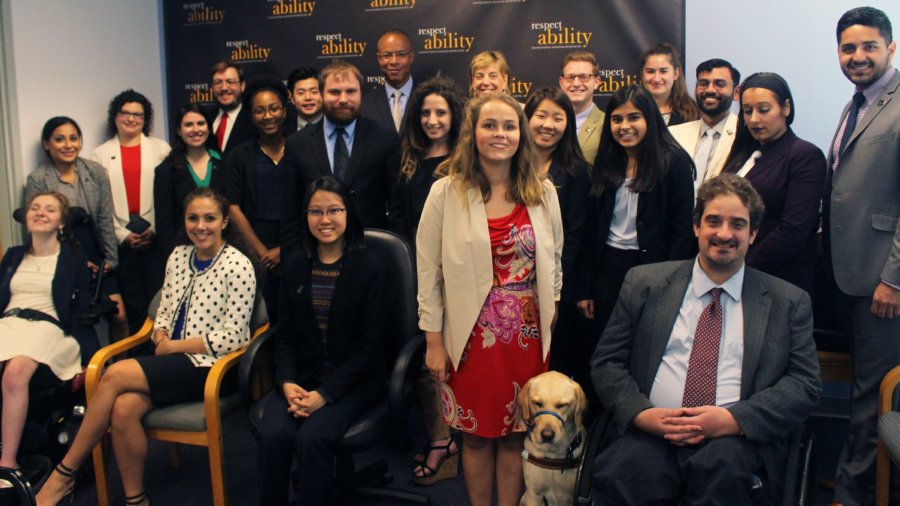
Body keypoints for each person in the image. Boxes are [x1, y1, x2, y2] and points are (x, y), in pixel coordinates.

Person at [590, 174, 821, 505]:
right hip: (650, 430)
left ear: (753, 233)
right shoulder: (644, 284)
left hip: (735, 441)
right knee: (628, 473)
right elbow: (607, 362)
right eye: (714, 221)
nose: (724, 234)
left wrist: (734, 420)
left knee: (721, 472)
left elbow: (804, 384)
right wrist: (640, 413)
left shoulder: (788, 302)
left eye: (738, 224)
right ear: (696, 226)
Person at [36, 188, 257, 506]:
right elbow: (163, 312)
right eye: (193, 218)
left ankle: (64, 473)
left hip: (211, 369)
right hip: (170, 361)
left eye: (210, 218)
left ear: (224, 222)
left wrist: (175, 346)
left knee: (112, 375)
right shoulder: (179, 256)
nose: (200, 226)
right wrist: (161, 336)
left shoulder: (238, 265)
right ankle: (136, 500)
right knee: (124, 409)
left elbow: (235, 337)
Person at [417, 92, 563, 506]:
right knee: (477, 439)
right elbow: (428, 272)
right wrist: (433, 342)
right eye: (490, 125)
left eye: (509, 126)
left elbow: (556, 258)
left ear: (522, 135)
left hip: (527, 338)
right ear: (472, 132)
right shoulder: (445, 193)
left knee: (518, 435)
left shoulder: (542, 191)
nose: (500, 134)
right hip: (469, 338)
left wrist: (551, 312)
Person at [256, 177, 385, 505]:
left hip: (353, 382)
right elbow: (284, 335)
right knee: (273, 434)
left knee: (312, 439)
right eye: (315, 211)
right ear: (305, 216)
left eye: (333, 210)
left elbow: (370, 348)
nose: (324, 220)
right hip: (302, 378)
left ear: (348, 213)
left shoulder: (370, 266)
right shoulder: (296, 264)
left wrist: (325, 394)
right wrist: (286, 382)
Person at [824, 7, 899, 506]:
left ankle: (855, 498)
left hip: (882, 283)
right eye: (849, 48)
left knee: (874, 400)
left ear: (890, 48)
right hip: (848, 275)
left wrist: (895, 279)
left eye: (869, 46)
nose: (858, 57)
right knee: (859, 394)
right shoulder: (857, 103)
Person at [386, 76, 465, 485]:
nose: (433, 120)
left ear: (455, 116)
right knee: (423, 360)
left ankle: (449, 442)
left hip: (456, 275)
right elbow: (397, 219)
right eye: (426, 113)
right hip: (416, 275)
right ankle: (442, 438)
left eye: (441, 112)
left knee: (450, 361)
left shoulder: (465, 161)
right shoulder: (408, 158)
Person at [575, 84, 695, 343]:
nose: (624, 126)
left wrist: (671, 286)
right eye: (617, 119)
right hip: (607, 269)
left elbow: (682, 233)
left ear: (649, 119)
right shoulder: (607, 161)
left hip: (653, 270)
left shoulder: (674, 163)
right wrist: (585, 287)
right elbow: (591, 230)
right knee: (605, 345)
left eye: (633, 117)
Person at [0, 192, 98, 476]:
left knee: (15, 373)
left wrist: (90, 358)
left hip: (48, 326)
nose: (41, 212)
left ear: (61, 221)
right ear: (26, 217)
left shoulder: (73, 257)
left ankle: (8, 464)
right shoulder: (13, 255)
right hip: (9, 323)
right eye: (35, 208)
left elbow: (80, 310)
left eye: (50, 209)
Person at [722, 72, 825, 296]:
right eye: (747, 111)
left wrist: (738, 268)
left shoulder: (804, 155)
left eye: (764, 109)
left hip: (777, 279)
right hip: (733, 275)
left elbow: (794, 230)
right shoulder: (744, 153)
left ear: (786, 108)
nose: (754, 119)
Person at [281, 60, 399, 255]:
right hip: (315, 255)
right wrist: (293, 262)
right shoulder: (297, 144)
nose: (343, 99)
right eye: (335, 92)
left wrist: (392, 255)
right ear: (321, 94)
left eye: (351, 91)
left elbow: (397, 207)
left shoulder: (384, 138)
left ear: (361, 94)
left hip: (372, 254)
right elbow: (290, 214)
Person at [26, 117, 127, 342]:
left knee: (119, 316)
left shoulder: (95, 171)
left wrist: (110, 260)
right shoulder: (38, 179)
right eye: (59, 139)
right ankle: (85, 372)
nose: (68, 145)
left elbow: (104, 218)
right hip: (62, 254)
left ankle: (120, 370)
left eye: (74, 138)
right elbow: (38, 229)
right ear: (46, 144)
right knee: (74, 319)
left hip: (95, 249)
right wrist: (76, 263)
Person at [523, 87, 591, 392]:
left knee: (554, 360)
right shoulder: (509, 164)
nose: (548, 125)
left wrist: (556, 287)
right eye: (541, 115)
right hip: (514, 281)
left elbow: (576, 234)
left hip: (556, 282)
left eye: (558, 118)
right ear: (527, 118)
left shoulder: (576, 171)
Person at [92, 89, 171, 335]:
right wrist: (121, 235)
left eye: (138, 114)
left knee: (160, 304)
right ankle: (137, 359)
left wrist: (155, 230)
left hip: (155, 239)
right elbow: (99, 205)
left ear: (145, 119)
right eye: (125, 113)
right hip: (122, 243)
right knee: (134, 307)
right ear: (115, 116)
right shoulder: (100, 154)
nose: (131, 119)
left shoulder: (160, 148)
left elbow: (169, 197)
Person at [223, 76, 289, 324]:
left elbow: (312, 203)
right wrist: (262, 252)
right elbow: (233, 206)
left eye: (273, 108)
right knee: (260, 318)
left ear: (284, 110)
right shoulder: (239, 155)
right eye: (259, 111)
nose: (267, 116)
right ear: (251, 116)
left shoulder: (301, 148)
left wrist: (285, 250)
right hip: (253, 248)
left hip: (294, 244)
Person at [154, 104, 226, 258]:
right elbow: (164, 225)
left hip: (223, 251)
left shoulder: (224, 164)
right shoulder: (165, 171)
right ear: (179, 131)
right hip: (184, 254)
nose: (195, 130)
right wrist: (175, 259)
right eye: (188, 125)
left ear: (208, 127)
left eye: (201, 123)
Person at [669, 59, 741, 190]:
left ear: (736, 92)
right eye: (703, 83)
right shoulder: (673, 134)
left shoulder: (744, 134)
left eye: (719, 84)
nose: (710, 90)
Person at [361, 29, 416, 134]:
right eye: (387, 55)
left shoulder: (427, 97)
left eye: (401, 54)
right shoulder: (365, 104)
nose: (394, 61)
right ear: (379, 59)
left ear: (411, 57)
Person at [558, 50, 606, 165]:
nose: (576, 83)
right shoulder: (548, 123)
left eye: (583, 77)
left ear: (596, 82)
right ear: (561, 82)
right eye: (570, 77)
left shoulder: (607, 124)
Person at [640, 43, 701, 126]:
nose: (656, 78)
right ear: (642, 74)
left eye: (663, 71)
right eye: (650, 71)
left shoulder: (694, 113)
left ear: (676, 74)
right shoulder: (630, 109)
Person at [207, 60, 255, 154]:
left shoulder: (253, 119)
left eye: (230, 82)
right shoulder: (205, 119)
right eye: (218, 83)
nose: (224, 88)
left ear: (242, 86)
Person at [283, 66, 323, 134]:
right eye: (301, 93)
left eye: (314, 92)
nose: (308, 97)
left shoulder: (336, 128)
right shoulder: (283, 133)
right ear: (292, 98)